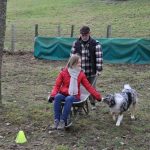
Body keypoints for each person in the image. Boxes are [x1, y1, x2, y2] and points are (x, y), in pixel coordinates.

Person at [48, 54, 102, 130]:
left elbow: (88, 87)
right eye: (79, 63)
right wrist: (52, 95)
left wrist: (98, 96)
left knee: (69, 98)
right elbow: (57, 86)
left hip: (75, 96)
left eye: (80, 62)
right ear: (73, 63)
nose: (80, 64)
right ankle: (56, 120)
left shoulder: (80, 74)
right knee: (57, 97)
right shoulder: (63, 72)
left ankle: (63, 121)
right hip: (64, 94)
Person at [70, 26, 103, 110]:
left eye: (86, 34)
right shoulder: (76, 43)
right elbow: (72, 57)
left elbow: (99, 57)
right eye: (82, 34)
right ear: (80, 34)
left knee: (92, 88)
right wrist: (72, 68)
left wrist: (99, 69)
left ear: (89, 33)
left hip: (92, 71)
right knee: (79, 88)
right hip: (80, 72)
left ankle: (93, 103)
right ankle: (80, 104)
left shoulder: (96, 44)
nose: (84, 36)